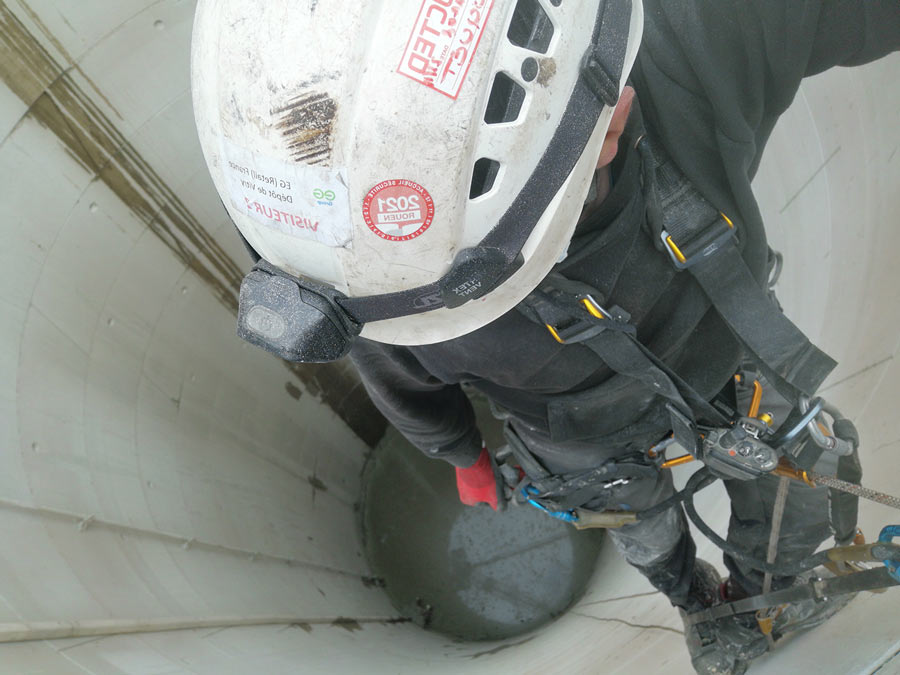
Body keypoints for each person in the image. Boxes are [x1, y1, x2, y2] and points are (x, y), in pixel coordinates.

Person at [191, 1, 899, 672]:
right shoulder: (369, 271)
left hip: (713, 368)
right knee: (638, 521)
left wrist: (467, 455)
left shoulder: (690, 43)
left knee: (798, 482)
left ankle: (760, 602)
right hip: (579, 434)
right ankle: (693, 598)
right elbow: (403, 382)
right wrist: (463, 454)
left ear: (611, 116)